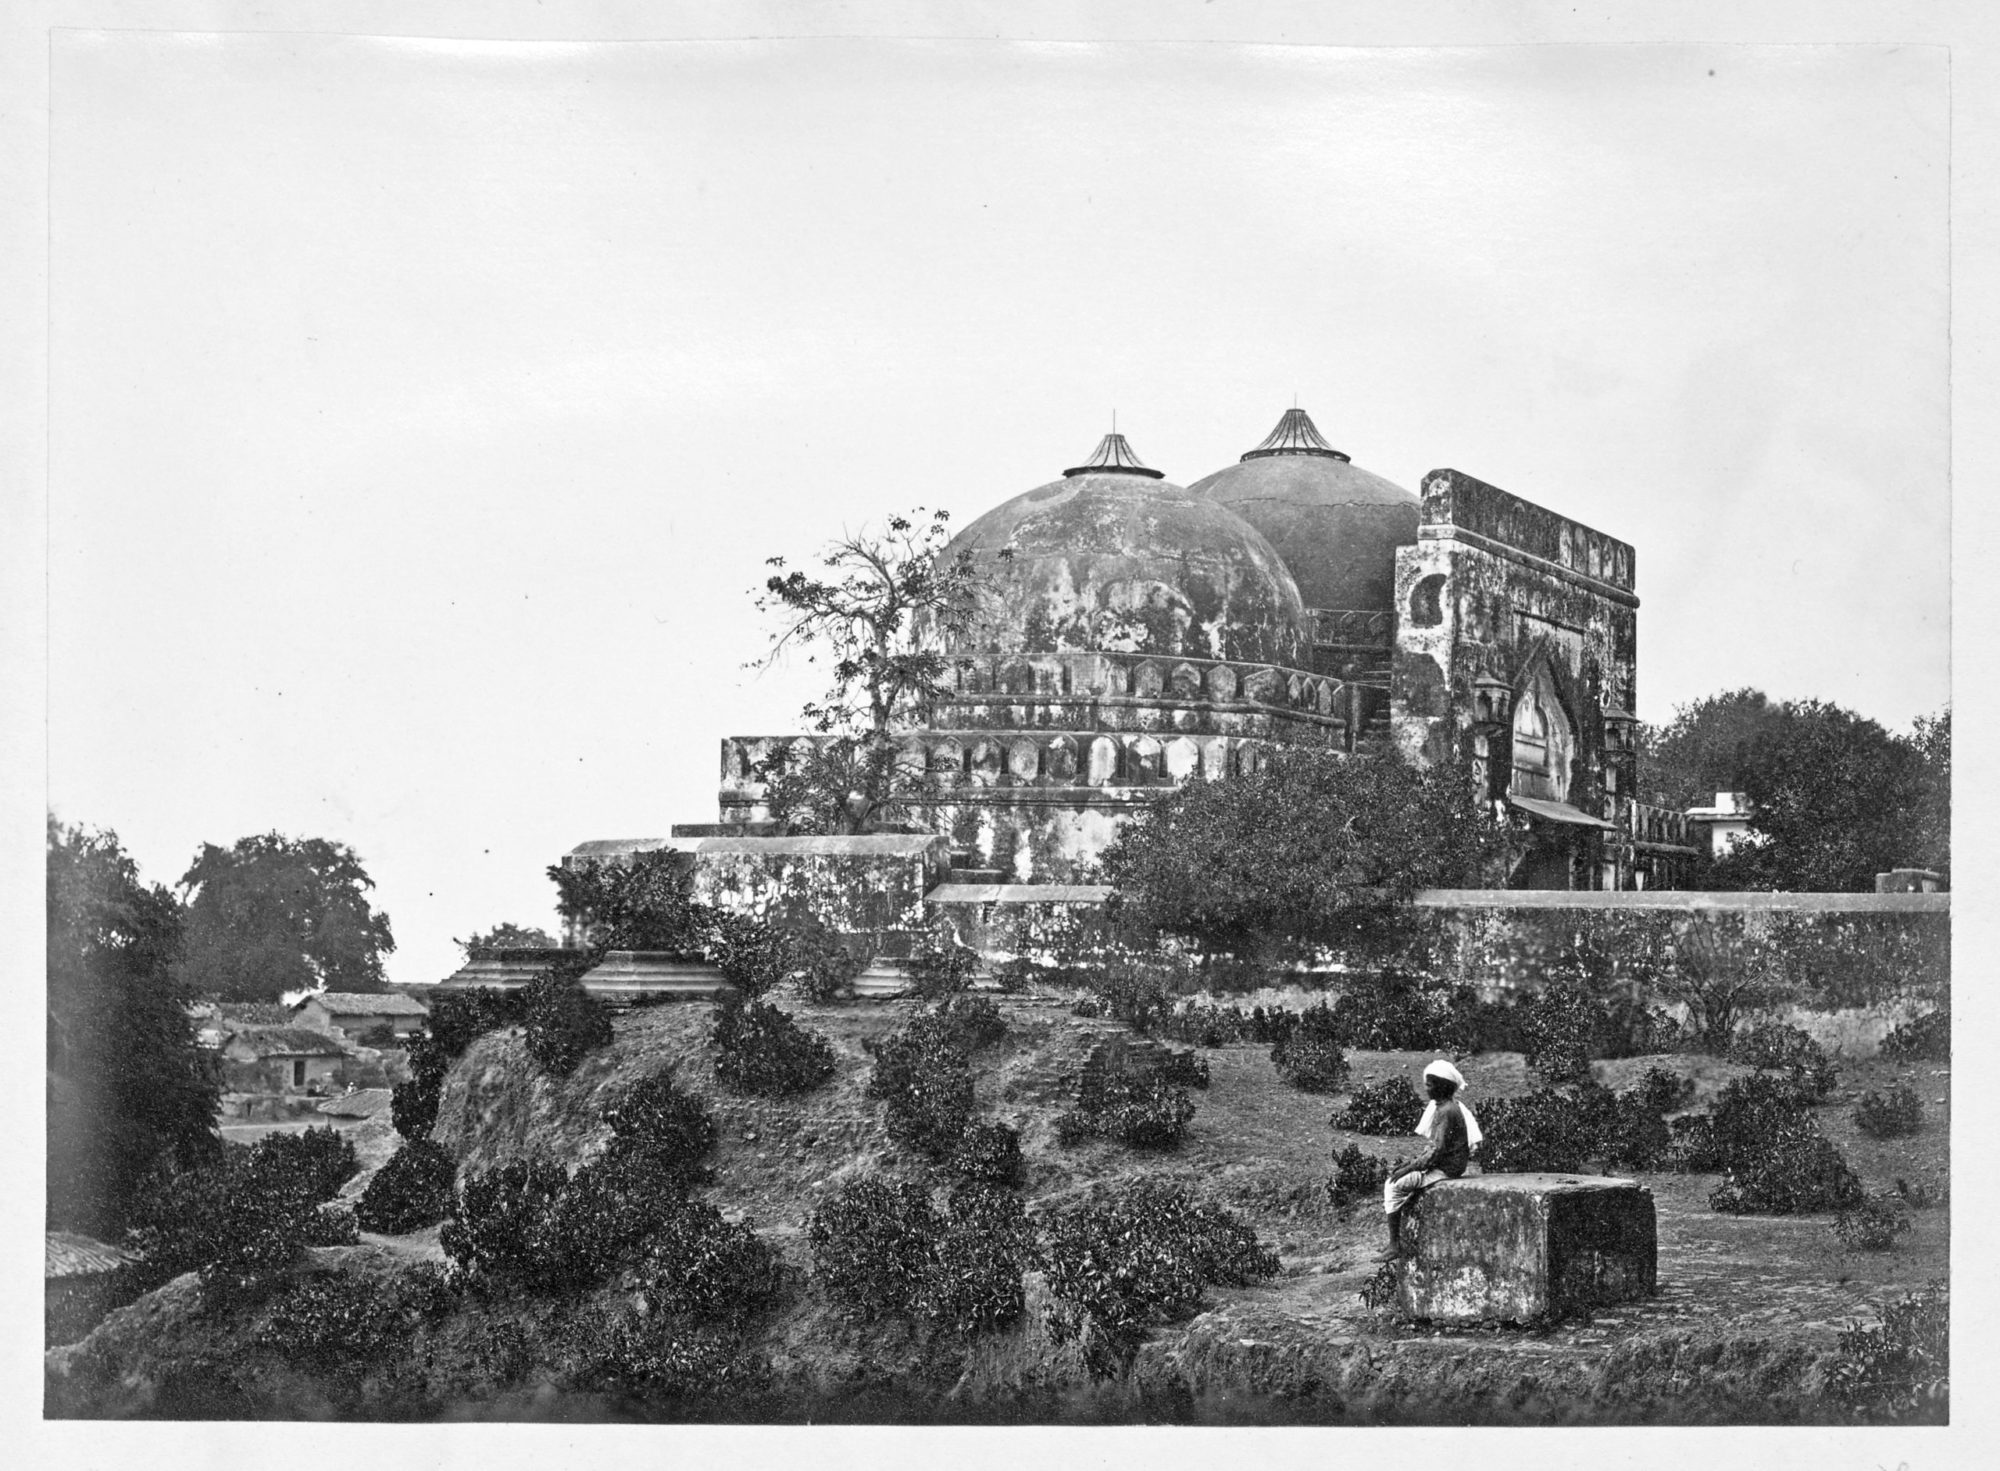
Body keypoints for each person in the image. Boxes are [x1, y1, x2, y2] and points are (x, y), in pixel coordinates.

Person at [1376, 1059, 1484, 1263]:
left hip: (1445, 1169)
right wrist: (1411, 1164)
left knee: (1393, 1186)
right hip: (1448, 1164)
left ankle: (1394, 1245)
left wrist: (1409, 1168)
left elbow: (1436, 1151)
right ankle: (1397, 1239)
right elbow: (1435, 1148)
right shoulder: (1447, 1108)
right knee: (1401, 1180)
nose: (1426, 1088)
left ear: (1441, 1087)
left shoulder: (1446, 1112)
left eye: (1429, 1084)